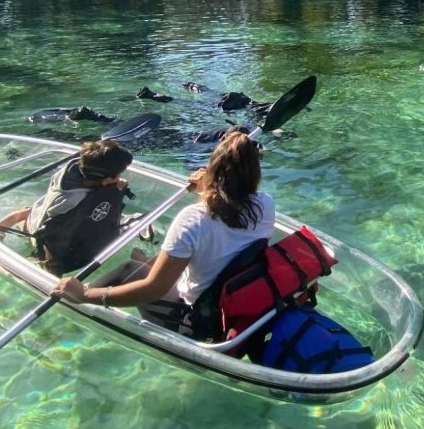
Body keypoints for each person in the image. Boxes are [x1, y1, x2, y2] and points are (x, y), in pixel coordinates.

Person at [52, 129, 275, 334]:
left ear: (213, 170)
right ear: (255, 172)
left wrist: (86, 296)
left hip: (195, 319)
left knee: (129, 269)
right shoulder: (266, 205)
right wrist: (207, 188)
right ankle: (149, 264)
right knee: (154, 262)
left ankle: (75, 295)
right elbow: (225, 217)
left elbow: (154, 289)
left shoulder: (193, 218)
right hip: (230, 305)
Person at [0, 138, 134, 276]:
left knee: (34, 211)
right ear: (106, 178)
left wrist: (112, 182)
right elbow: (50, 237)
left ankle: (6, 224)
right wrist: (52, 271)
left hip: (44, 208)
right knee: (30, 217)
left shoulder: (76, 167)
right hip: (41, 229)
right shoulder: (71, 203)